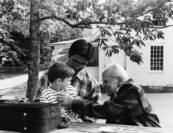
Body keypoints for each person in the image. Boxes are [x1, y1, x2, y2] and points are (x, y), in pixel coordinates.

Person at [58, 63, 161, 127]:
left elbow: (106, 111)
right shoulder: (119, 94)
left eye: (106, 81)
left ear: (119, 80)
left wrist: (73, 102)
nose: (102, 85)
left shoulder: (133, 91)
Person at [35, 39, 101, 122]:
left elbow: (97, 112)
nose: (77, 66)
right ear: (69, 54)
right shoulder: (48, 76)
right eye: (75, 61)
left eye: (83, 64)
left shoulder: (92, 83)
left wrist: (75, 103)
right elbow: (37, 106)